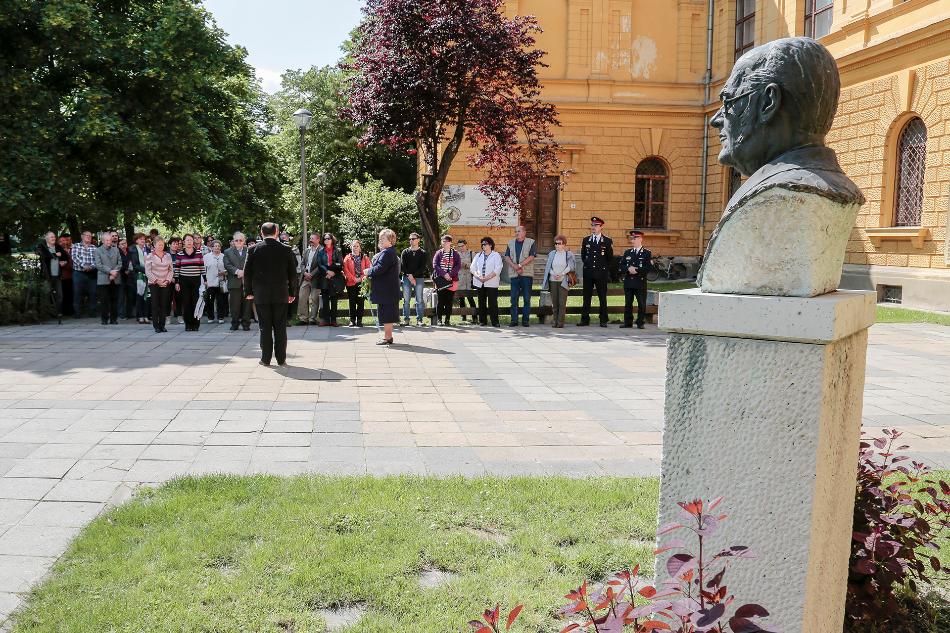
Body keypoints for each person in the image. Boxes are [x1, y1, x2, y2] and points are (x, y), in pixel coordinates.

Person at [244, 222, 297, 366]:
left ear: (261, 233)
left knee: (264, 327)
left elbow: (247, 273)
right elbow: (293, 274)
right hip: (281, 293)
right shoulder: (286, 249)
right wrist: (292, 292)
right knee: (280, 327)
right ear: (277, 232)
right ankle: (281, 359)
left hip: (261, 294)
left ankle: (265, 358)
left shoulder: (253, 249)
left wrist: (248, 292)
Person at [365, 228, 400, 345]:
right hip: (387, 290)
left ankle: (388, 337)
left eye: (383, 238)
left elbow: (380, 268)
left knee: (387, 314)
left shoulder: (387, 253)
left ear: (390, 240)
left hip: (387, 290)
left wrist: (368, 271)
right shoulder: (388, 252)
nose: (380, 240)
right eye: (380, 238)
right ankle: (388, 337)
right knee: (386, 313)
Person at [578, 216, 613, 327]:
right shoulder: (586, 240)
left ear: (601, 227)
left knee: (602, 297)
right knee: (586, 297)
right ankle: (585, 319)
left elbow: (609, 258)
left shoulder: (607, 241)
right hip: (588, 273)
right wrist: (588, 266)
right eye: (592, 225)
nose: (593, 227)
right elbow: (583, 256)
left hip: (601, 273)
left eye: (596, 225)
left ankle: (603, 319)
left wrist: (603, 269)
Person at [618, 230, 653, 329]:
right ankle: (627, 322)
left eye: (635, 238)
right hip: (629, 282)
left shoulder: (647, 253)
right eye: (632, 238)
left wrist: (637, 270)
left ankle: (640, 322)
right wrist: (628, 269)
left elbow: (648, 268)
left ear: (641, 239)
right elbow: (621, 266)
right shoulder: (628, 252)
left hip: (640, 282)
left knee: (641, 303)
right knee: (628, 303)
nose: (632, 240)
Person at [503, 225, 537, 327]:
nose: (517, 233)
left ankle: (525, 321)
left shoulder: (531, 242)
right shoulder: (510, 243)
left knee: (526, 299)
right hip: (514, 275)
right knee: (513, 299)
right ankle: (514, 320)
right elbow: (507, 256)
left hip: (526, 275)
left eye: (519, 231)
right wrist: (515, 267)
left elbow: (531, 256)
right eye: (515, 231)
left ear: (524, 232)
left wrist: (520, 265)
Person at [541, 235, 576, 328]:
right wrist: (553, 274)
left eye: (559, 243)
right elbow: (548, 267)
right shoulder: (552, 254)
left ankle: (560, 322)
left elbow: (570, 267)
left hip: (563, 281)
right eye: (556, 243)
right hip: (553, 280)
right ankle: (555, 321)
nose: (557, 245)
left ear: (564, 244)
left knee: (562, 303)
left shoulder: (568, 254)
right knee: (555, 303)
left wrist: (562, 274)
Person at [174, 235, 205, 331]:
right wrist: (176, 282)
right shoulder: (180, 254)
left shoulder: (199, 253)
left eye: (191, 240)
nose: (189, 242)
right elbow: (177, 269)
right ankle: (188, 325)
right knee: (186, 302)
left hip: (196, 280)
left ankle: (196, 324)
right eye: (187, 240)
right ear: (184, 242)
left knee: (196, 302)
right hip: (184, 280)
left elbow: (202, 267)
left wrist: (205, 280)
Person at [470, 236, 503, 327]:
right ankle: (482, 321)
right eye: (482, 244)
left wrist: (487, 277)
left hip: (491, 282)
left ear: (491, 245)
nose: (483, 246)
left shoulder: (496, 255)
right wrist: (478, 276)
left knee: (493, 303)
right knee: (481, 302)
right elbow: (472, 268)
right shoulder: (478, 255)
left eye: (485, 244)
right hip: (480, 282)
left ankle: (495, 322)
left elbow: (498, 268)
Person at [223, 232, 252, 331]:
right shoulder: (227, 252)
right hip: (234, 282)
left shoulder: (250, 251)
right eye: (236, 240)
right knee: (234, 305)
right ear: (233, 241)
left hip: (247, 282)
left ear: (244, 241)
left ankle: (246, 324)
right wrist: (237, 271)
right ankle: (234, 323)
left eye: (241, 240)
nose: (238, 242)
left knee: (247, 305)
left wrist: (245, 272)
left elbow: (253, 264)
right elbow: (227, 264)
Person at [145, 236, 173, 333]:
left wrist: (167, 281)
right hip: (154, 283)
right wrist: (157, 281)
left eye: (162, 245)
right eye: (159, 245)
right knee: (155, 304)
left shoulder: (168, 256)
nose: (161, 246)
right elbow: (148, 271)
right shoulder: (150, 256)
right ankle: (156, 326)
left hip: (165, 283)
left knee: (164, 304)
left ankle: (162, 325)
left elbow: (171, 270)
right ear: (154, 245)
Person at [94, 231, 122, 325]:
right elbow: (98, 265)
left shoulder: (116, 249)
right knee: (104, 300)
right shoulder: (98, 250)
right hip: (103, 279)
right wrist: (110, 271)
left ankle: (114, 319)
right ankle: (104, 319)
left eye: (110, 240)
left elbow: (120, 263)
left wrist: (114, 272)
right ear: (102, 241)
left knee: (115, 299)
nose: (109, 242)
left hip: (115, 278)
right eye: (107, 240)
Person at [432, 235, 461, 326]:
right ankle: (439, 319)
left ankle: (447, 320)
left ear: (450, 242)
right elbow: (435, 264)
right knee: (440, 301)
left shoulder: (455, 253)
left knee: (449, 301)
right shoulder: (438, 253)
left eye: (446, 241)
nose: (444, 243)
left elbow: (458, 265)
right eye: (443, 241)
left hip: (452, 280)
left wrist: (450, 274)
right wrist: (444, 274)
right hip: (441, 280)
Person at [36, 231, 66, 316]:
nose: (54, 238)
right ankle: (45, 313)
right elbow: (45, 256)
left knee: (59, 295)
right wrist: (56, 254)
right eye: (51, 237)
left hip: (57, 275)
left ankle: (58, 312)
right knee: (46, 294)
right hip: (47, 275)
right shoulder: (43, 247)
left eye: (54, 237)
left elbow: (64, 255)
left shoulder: (58, 246)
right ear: (46, 239)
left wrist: (64, 261)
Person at [400, 232, 428, 326]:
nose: (411, 240)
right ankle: (406, 319)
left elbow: (422, 268)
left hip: (419, 278)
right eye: (410, 239)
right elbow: (403, 266)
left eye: (413, 239)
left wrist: (413, 276)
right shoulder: (405, 252)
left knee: (419, 300)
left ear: (418, 240)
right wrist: (410, 276)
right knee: (406, 300)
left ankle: (419, 320)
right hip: (406, 278)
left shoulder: (423, 253)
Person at [316, 233, 344, 327]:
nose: (326, 240)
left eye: (328, 238)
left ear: (332, 239)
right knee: (325, 299)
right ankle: (325, 320)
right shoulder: (320, 251)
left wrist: (333, 272)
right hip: (324, 277)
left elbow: (340, 264)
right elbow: (320, 264)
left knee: (334, 299)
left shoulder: (338, 250)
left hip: (335, 277)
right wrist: (327, 272)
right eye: (324, 239)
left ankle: (334, 320)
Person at [70, 230, 98, 318]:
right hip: (78, 273)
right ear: (82, 236)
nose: (89, 237)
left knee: (93, 292)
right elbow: (74, 257)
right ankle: (77, 313)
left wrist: (91, 267)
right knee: (77, 293)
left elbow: (97, 260)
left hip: (91, 273)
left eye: (90, 236)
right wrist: (84, 266)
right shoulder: (76, 246)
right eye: (87, 235)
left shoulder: (94, 248)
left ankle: (92, 312)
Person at [343, 239, 371, 327]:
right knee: (352, 302)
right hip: (351, 283)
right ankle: (352, 320)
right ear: (351, 247)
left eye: (357, 246)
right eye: (354, 246)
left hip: (362, 283)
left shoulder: (365, 257)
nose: (355, 248)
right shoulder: (347, 258)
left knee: (360, 302)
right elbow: (345, 270)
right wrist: (354, 278)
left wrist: (361, 278)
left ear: (360, 248)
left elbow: (368, 268)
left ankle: (359, 320)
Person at [298, 232, 321, 324]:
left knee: (315, 299)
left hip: (316, 278)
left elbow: (321, 265)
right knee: (302, 297)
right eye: (310, 238)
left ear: (318, 239)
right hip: (305, 278)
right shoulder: (307, 250)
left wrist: (311, 274)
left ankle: (312, 319)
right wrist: (305, 273)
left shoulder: (322, 250)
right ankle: (303, 318)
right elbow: (302, 264)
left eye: (312, 238)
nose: (310, 240)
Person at [203, 240, 228, 323]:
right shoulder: (206, 257)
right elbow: (203, 270)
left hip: (221, 282)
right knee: (209, 300)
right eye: (215, 246)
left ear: (220, 247)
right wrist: (205, 280)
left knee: (221, 300)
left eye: (218, 246)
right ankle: (210, 317)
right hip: (210, 282)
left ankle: (221, 317)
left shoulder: (224, 256)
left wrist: (224, 272)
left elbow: (228, 267)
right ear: (212, 247)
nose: (217, 247)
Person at [129, 233, 150, 324]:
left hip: (148, 276)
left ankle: (146, 315)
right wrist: (146, 270)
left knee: (147, 296)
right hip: (138, 276)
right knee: (139, 296)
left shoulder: (148, 249)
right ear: (136, 240)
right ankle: (140, 316)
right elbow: (135, 265)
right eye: (140, 239)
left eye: (144, 239)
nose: (143, 240)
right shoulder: (133, 249)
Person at [455, 239, 477, 321]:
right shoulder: (456, 254)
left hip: (469, 280)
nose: (461, 248)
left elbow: (476, 266)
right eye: (459, 246)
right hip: (460, 280)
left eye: (462, 246)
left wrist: (466, 265)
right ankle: (463, 316)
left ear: (466, 245)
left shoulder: (472, 253)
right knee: (461, 299)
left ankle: (474, 316)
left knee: (470, 298)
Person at [117, 238, 135, 319]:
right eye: (122, 244)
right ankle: (121, 314)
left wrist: (129, 270)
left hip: (130, 277)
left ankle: (129, 313)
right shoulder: (117, 253)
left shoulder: (130, 252)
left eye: (125, 243)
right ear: (118, 245)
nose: (124, 245)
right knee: (121, 296)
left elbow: (133, 262)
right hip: (121, 276)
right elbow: (117, 264)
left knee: (130, 296)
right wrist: (125, 270)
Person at [168, 237, 183, 324]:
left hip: (178, 279)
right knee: (167, 299)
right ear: (170, 245)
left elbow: (181, 268)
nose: (175, 245)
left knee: (179, 298)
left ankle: (180, 316)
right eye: (173, 244)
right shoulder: (166, 254)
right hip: (168, 280)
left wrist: (176, 279)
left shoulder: (180, 254)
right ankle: (167, 317)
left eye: (177, 244)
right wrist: (170, 278)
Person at [58, 234, 74, 317]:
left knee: (70, 293)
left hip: (71, 275)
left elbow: (71, 262)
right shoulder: (58, 251)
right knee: (63, 294)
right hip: (62, 275)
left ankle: (70, 310)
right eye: (61, 241)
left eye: (64, 240)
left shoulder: (71, 250)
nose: (63, 242)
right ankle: (64, 311)